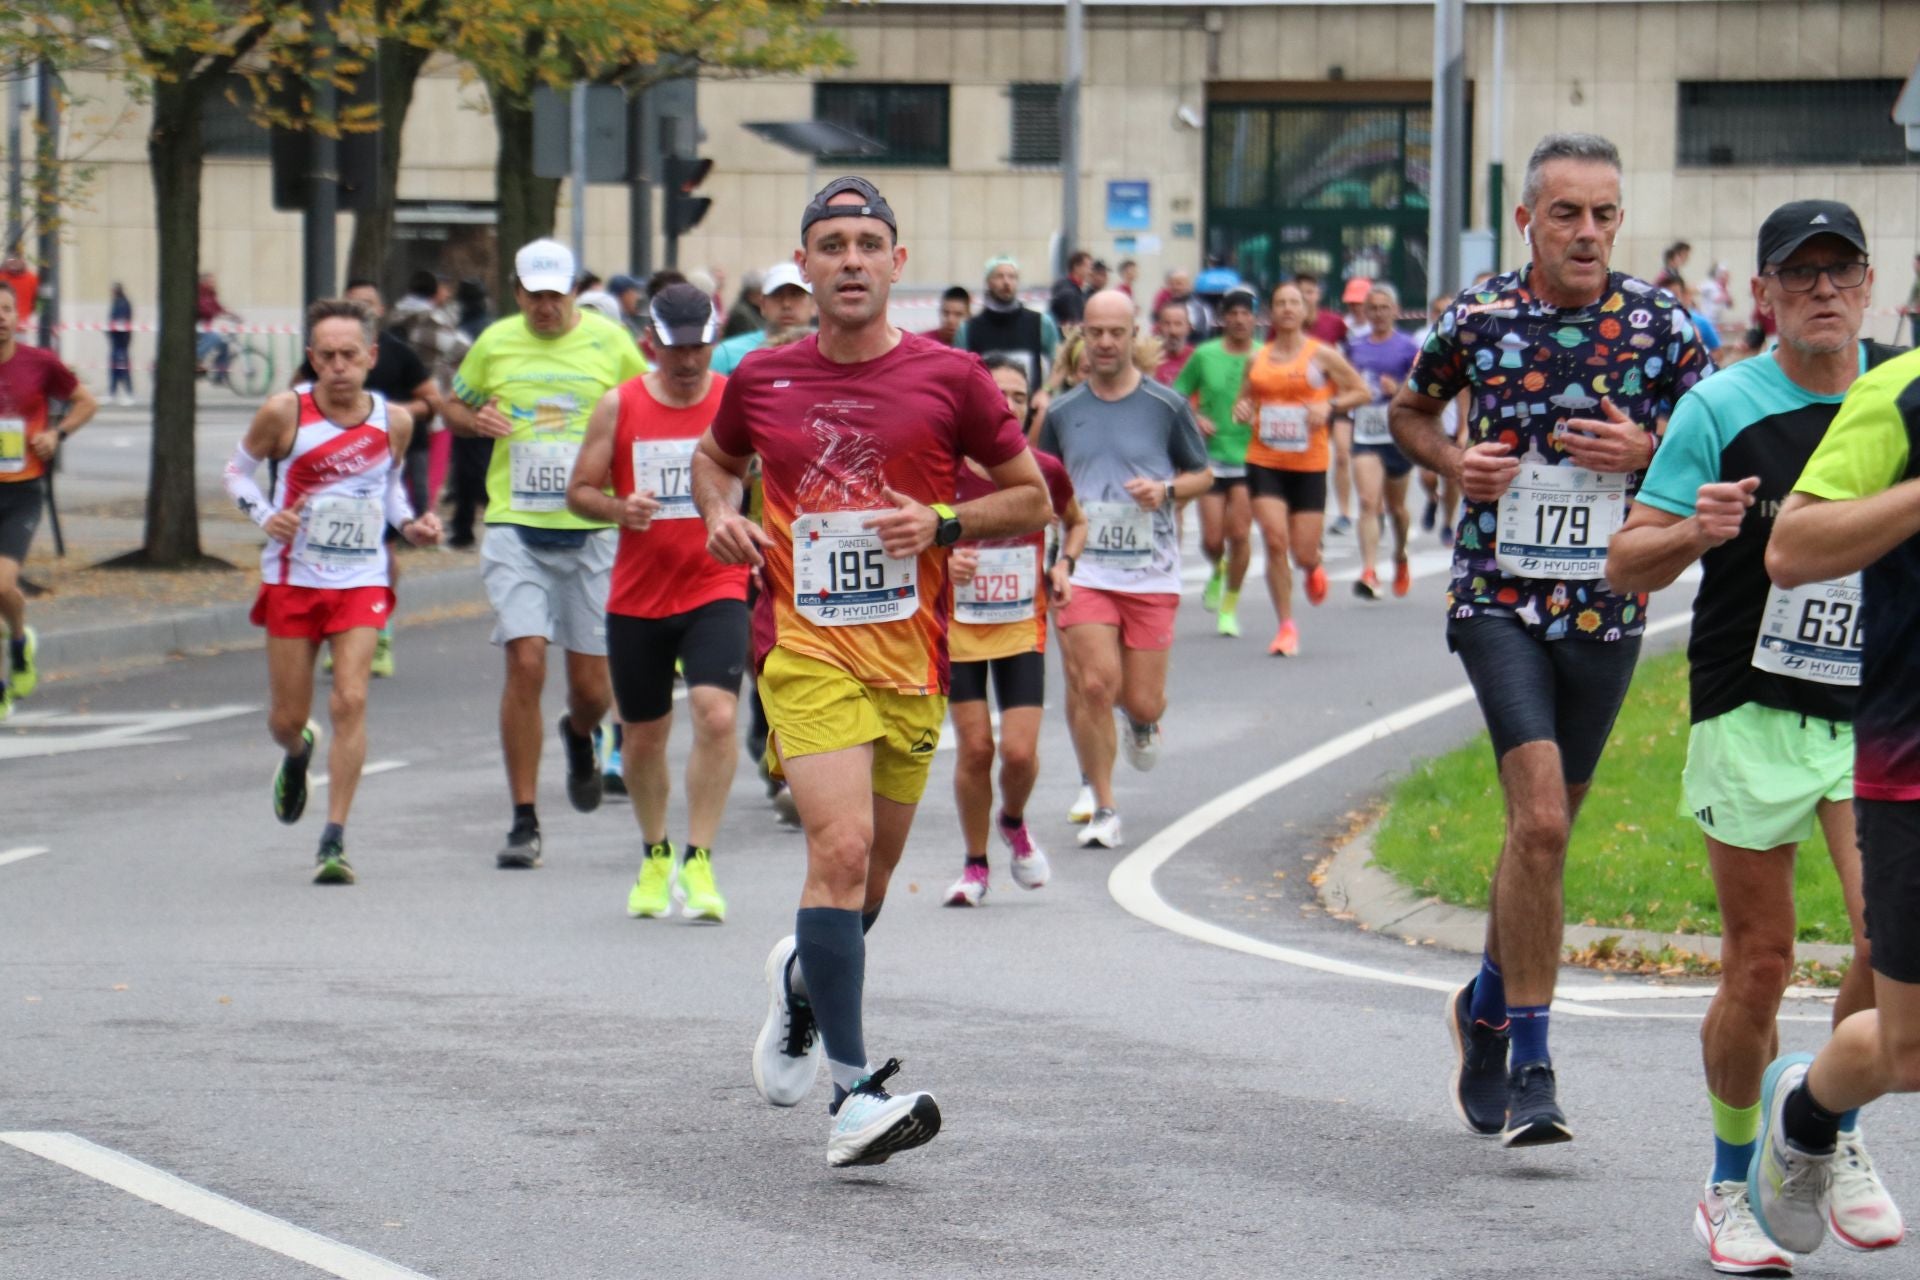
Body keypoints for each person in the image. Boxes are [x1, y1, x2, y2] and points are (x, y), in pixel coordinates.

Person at [696, 176, 1048, 1166]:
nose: (849, 258)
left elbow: (1028, 500)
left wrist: (943, 522)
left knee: (869, 884)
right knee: (839, 851)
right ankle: (854, 1095)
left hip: (911, 656)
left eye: (867, 243)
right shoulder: (762, 378)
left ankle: (804, 980)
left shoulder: (955, 380)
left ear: (897, 262)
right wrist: (718, 515)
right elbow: (715, 461)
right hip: (803, 650)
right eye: (831, 243)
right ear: (803, 267)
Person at [1388, 132, 1711, 1147]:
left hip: (1612, 604)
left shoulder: (1666, 329)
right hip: (1497, 596)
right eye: (1567, 213)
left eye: (1604, 214)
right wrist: (1454, 462)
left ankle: (1484, 1002)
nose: (1587, 232)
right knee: (1537, 820)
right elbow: (1408, 409)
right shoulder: (1479, 317)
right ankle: (1533, 1060)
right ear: (1528, 219)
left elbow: (1722, 444)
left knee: (1550, 831)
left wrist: (1650, 449)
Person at [1607, 200, 1904, 1271]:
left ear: (1870, 286)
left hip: (1875, 706)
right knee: (1761, 963)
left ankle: (1824, 1121)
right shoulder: (1720, 407)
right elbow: (1626, 563)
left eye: (1842, 271)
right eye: (1801, 273)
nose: (1824, 290)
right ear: (1767, 293)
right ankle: (1729, 1182)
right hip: (1750, 703)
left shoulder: (1899, 394)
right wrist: (1697, 526)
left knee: (1890, 938)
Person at [1746, 347, 1920, 1264]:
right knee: (1910, 1052)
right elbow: (1792, 548)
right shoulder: (1900, 392)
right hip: (1911, 758)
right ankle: (1809, 1110)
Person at [221, 298, 442, 883]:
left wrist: (412, 524)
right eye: (328, 356)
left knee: (350, 699)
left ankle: (334, 837)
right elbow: (235, 473)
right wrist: (267, 516)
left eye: (350, 355)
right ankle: (297, 753)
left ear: (371, 357)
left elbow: (388, 491)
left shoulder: (393, 421)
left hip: (361, 578)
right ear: (311, 359)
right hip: (293, 576)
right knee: (286, 718)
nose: (339, 366)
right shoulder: (283, 413)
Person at [443, 238, 647, 869]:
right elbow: (453, 405)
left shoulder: (611, 343)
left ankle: (580, 732)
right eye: (534, 294)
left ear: (573, 291)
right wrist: (472, 421)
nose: (545, 307)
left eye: (556, 294)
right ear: (518, 291)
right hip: (515, 524)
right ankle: (524, 821)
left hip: (593, 528)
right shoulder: (495, 342)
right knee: (525, 661)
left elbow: (649, 409)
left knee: (590, 690)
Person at [565, 283, 744, 922]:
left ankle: (698, 858)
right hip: (638, 596)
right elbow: (578, 491)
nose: (689, 361)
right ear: (651, 345)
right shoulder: (619, 406)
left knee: (716, 715)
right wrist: (619, 508)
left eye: (699, 347)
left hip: (716, 584)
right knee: (642, 739)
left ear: (713, 342)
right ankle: (655, 850)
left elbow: (771, 477)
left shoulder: (734, 402)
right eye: (676, 350)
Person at [1038, 289, 1211, 850]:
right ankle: (1104, 805)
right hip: (1085, 570)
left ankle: (1142, 723)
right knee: (1093, 685)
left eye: (1117, 332)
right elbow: (1040, 486)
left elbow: (1202, 476)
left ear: (1134, 335)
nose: (1106, 343)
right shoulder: (1062, 413)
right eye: (1096, 333)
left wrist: (1164, 489)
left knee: (1140, 699)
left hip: (1151, 571)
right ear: (1081, 337)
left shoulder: (1165, 406)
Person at [942, 353, 1082, 906]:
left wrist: (1064, 564)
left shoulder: (1042, 469)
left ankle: (1014, 820)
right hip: (959, 626)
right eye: (999, 393)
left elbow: (1076, 519)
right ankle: (975, 866)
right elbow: (911, 537)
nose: (1010, 404)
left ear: (1032, 406)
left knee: (1018, 755)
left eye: (1021, 397)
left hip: (1022, 622)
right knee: (976, 749)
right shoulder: (942, 469)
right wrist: (942, 563)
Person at [1232, 280, 1368, 657]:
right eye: (1281, 303)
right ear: (1272, 313)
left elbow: (1361, 391)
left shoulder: (1321, 354)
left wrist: (1330, 407)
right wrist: (1241, 411)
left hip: (1308, 463)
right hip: (1264, 461)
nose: (1288, 308)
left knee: (1303, 552)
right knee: (1275, 542)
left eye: (1295, 302)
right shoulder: (1256, 359)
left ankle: (1313, 565)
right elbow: (1243, 403)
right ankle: (1286, 626)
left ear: (1305, 312)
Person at [0, 287, 96, 721]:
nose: (0, 317)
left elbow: (85, 402)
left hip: (21, 491)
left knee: (1, 587)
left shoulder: (39, 363)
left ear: (17, 316)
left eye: (5, 309)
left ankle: (20, 641)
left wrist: (57, 435)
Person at [1176, 285, 1258, 638]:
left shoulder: (1265, 356)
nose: (1239, 320)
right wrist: (1195, 418)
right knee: (1212, 540)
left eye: (1245, 314)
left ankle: (1230, 605)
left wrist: (1261, 415)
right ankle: (1218, 568)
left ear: (1254, 319)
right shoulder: (1204, 355)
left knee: (1238, 533)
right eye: (1232, 314)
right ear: (1222, 319)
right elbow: (1178, 395)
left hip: (1251, 457)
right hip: (1210, 457)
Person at [1344, 284, 1420, 600]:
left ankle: (1400, 554)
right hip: (1365, 431)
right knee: (1367, 501)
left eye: (1384, 307)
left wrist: (1398, 388)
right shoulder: (1355, 347)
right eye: (1372, 308)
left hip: (1397, 433)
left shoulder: (1407, 346)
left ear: (1396, 311)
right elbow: (1343, 381)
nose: (1377, 314)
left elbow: (1421, 388)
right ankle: (1369, 570)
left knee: (1397, 508)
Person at [961, 255, 1060, 397]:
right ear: (988, 282)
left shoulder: (1041, 323)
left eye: (1012, 276)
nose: (1006, 282)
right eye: (999, 276)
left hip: (1031, 413)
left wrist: (1046, 391)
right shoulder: (968, 329)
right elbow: (960, 376)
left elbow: (1060, 363)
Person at [447, 279, 494, 548]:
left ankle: (463, 528)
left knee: (468, 471)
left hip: (468, 402)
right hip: (495, 404)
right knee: (484, 465)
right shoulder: (491, 326)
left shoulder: (465, 330)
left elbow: (451, 361)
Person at [711, 262, 814, 374]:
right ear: (763, 305)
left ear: (814, 305)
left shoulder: (830, 353)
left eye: (796, 295)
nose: (786, 304)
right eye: (776, 294)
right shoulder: (726, 354)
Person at [196, 272, 242, 383]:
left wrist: (234, 316)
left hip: (205, 327)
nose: (214, 283)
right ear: (204, 282)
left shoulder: (211, 294)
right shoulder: (199, 293)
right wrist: (216, 313)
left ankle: (219, 376)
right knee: (214, 337)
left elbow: (219, 308)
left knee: (224, 344)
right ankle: (196, 359)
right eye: (211, 281)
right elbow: (204, 309)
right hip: (197, 327)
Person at [1152, 299, 1193, 385]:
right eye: (1167, 324)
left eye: (1178, 324)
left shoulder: (1196, 358)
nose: (1172, 331)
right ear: (1159, 328)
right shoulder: (1149, 359)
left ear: (1188, 328)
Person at [107, 284, 134, 405]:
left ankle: (129, 393)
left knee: (122, 369)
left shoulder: (122, 303)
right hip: (116, 341)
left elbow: (121, 321)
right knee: (115, 368)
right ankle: (112, 393)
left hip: (120, 341)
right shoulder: (118, 302)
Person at [1051, 250, 1093, 328]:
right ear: (1076, 267)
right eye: (1088, 267)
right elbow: (1075, 321)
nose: (1090, 272)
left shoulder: (1081, 290)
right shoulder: (1067, 290)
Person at [1, 252, 38, 328]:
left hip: (23, 325)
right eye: (11, 260)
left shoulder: (32, 279)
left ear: (23, 261)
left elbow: (36, 301)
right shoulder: (1, 276)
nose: (14, 263)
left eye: (17, 260)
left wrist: (30, 317)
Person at [723, 271, 764, 338]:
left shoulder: (758, 309)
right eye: (759, 292)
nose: (762, 297)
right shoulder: (741, 313)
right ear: (749, 293)